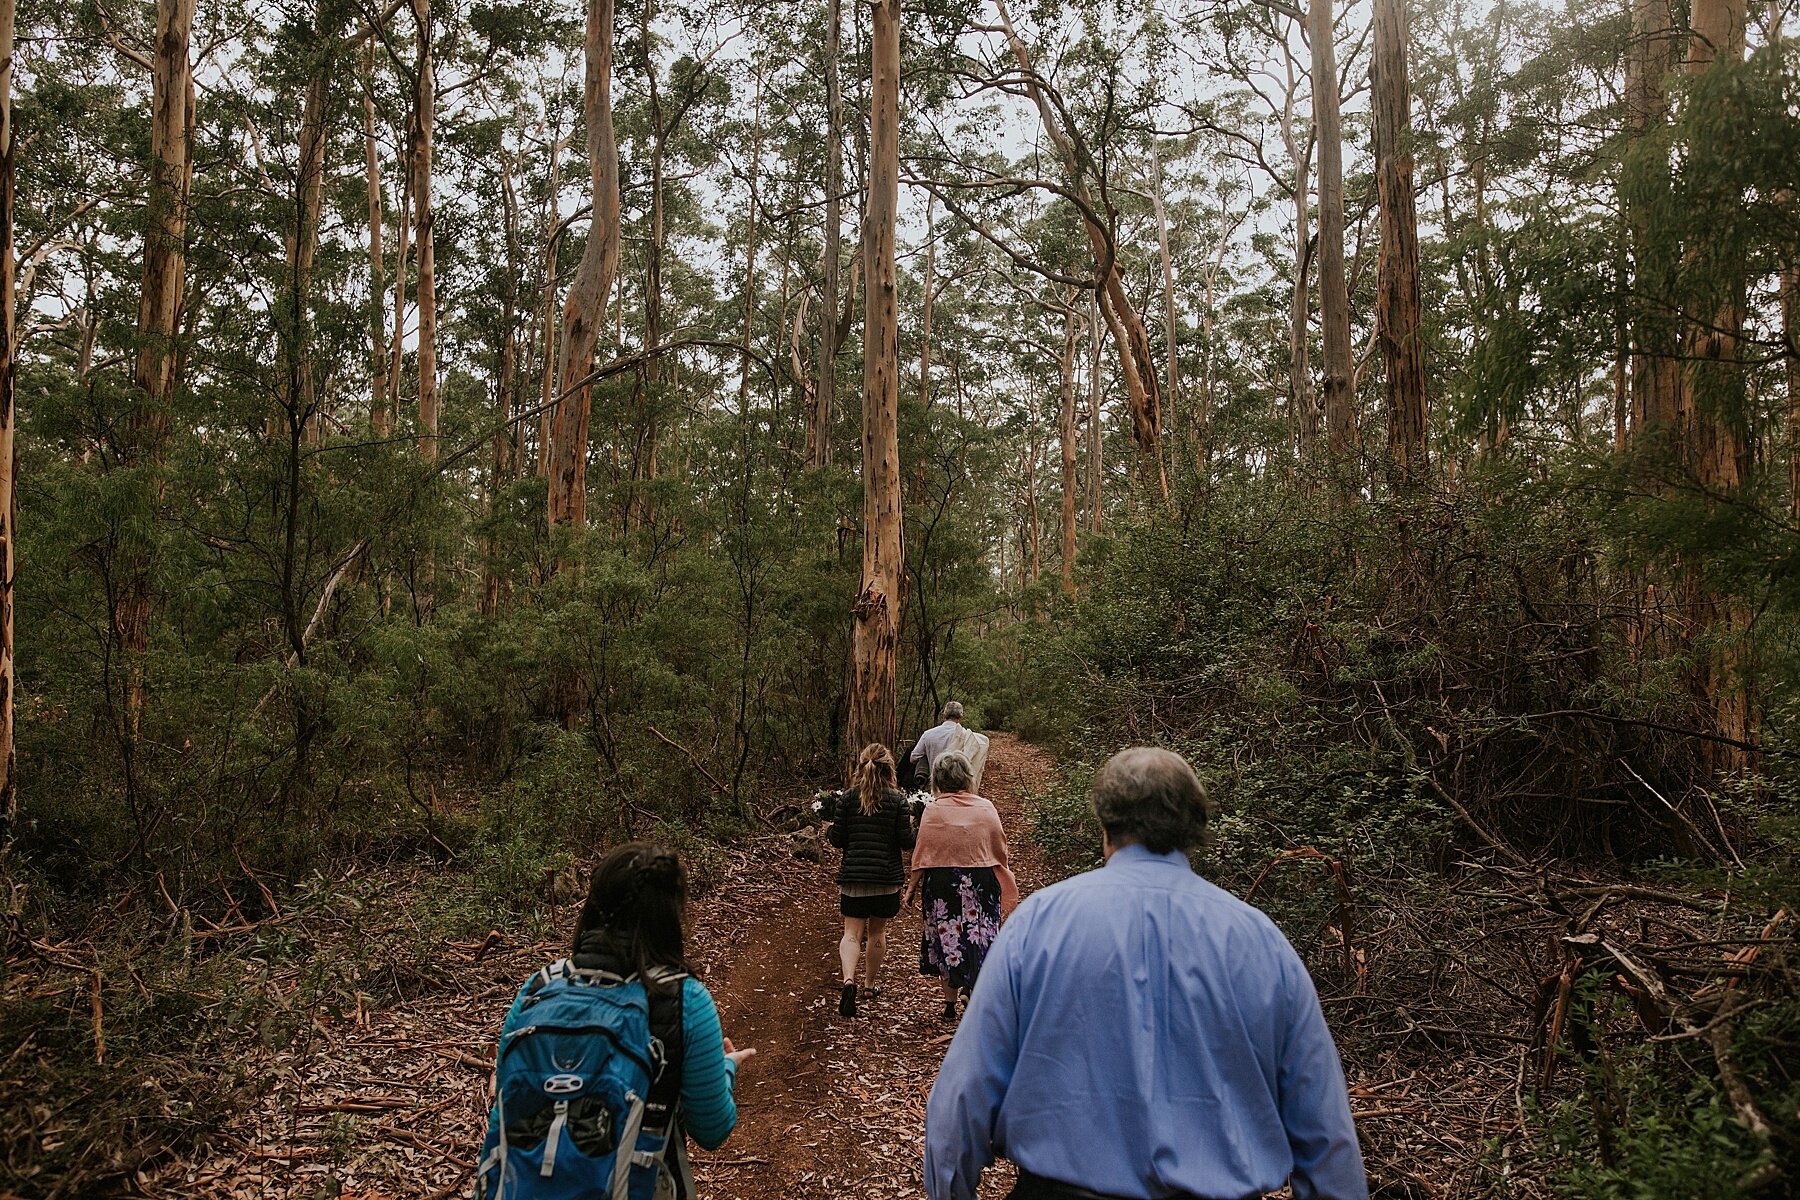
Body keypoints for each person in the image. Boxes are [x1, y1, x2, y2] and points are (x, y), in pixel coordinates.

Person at [922, 748, 1367, 1200]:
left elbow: (960, 1105)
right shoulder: (1260, 942)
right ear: (1194, 829)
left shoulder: (1038, 925)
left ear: (1106, 825)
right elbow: (1326, 1137)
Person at [476, 842, 755, 1200]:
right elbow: (712, 1128)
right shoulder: (684, 1000)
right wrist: (726, 1067)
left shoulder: (540, 986)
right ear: (669, 915)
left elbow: (506, 1103)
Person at [905, 750, 1020, 1022]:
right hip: (980, 882)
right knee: (978, 934)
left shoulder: (933, 810)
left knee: (949, 937)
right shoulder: (985, 807)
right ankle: (973, 989)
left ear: (938, 780)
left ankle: (949, 1002)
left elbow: (923, 853)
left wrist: (912, 886)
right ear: (968, 777)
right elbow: (999, 849)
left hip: (943, 883)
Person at [826, 743, 917, 1018]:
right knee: (877, 933)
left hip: (854, 876)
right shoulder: (898, 801)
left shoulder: (847, 799)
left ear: (860, 766)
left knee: (851, 933)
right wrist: (915, 825)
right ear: (890, 769)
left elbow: (837, 840)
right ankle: (869, 985)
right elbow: (906, 842)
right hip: (886, 879)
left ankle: (848, 981)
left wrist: (828, 828)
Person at [908, 701, 967, 785]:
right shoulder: (965, 735)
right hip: (957, 785)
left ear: (944, 715)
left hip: (933, 784)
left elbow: (914, 757)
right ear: (961, 717)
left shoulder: (928, 734)